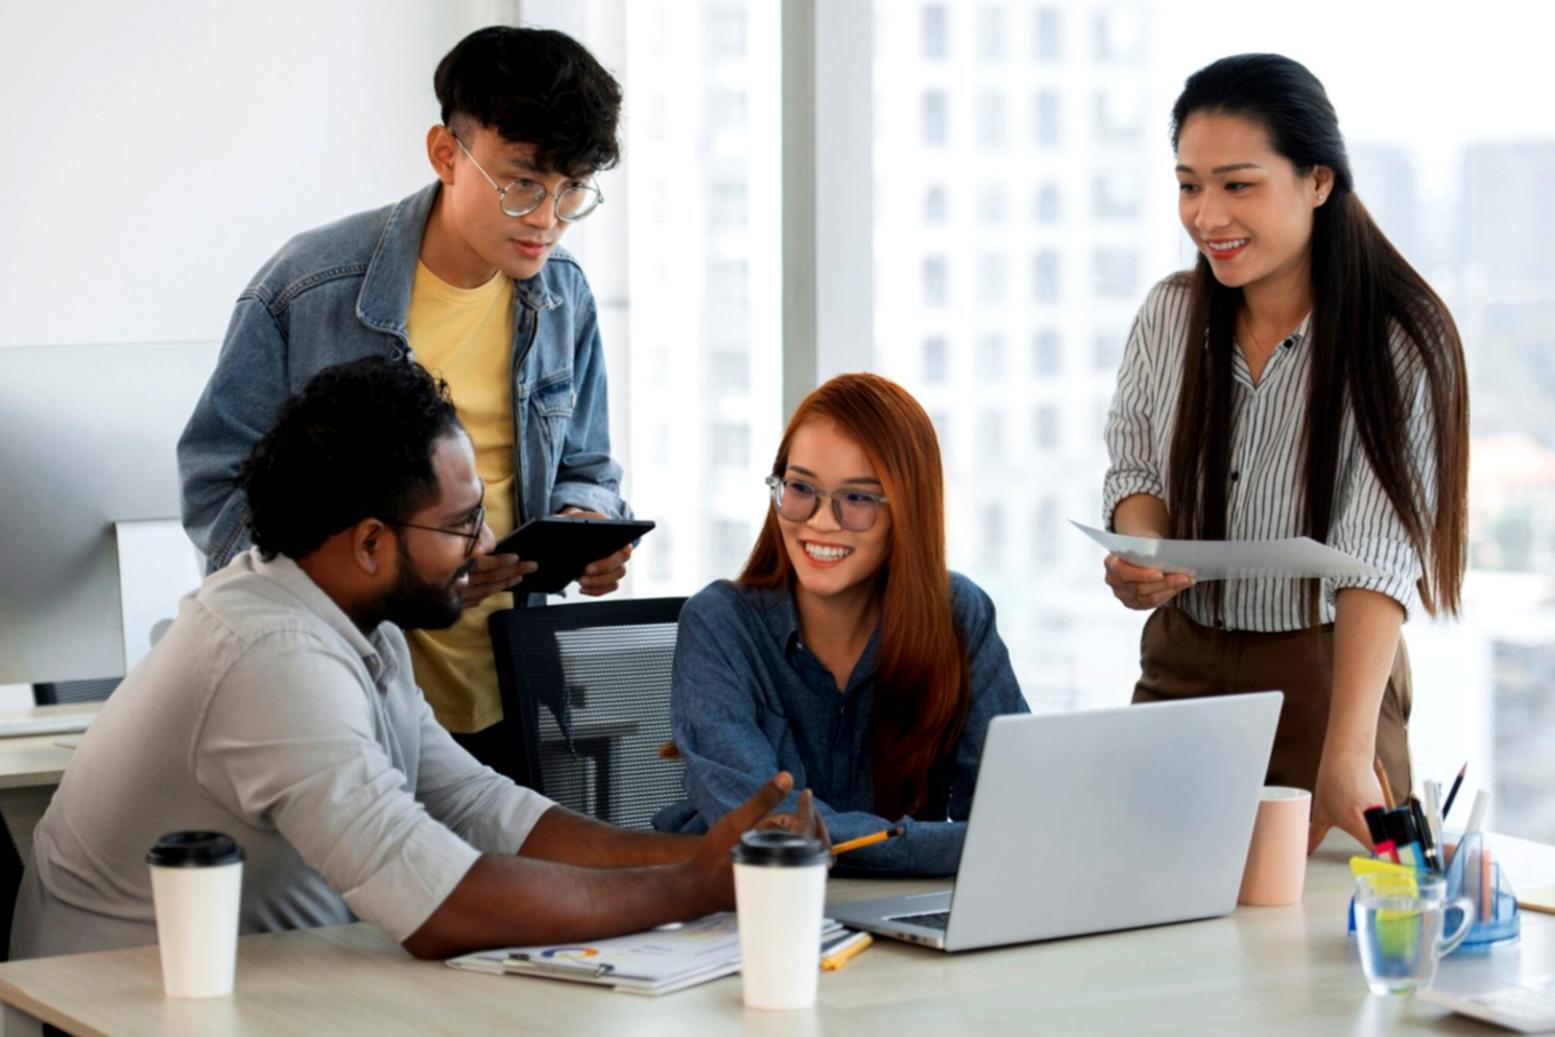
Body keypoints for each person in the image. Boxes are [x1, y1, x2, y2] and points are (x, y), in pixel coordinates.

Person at [12, 358, 817, 962]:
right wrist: (688, 889)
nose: (486, 546)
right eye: (462, 525)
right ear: (369, 542)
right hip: (118, 1010)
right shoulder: (272, 655)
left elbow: (479, 807)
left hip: (265, 989)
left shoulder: (357, 625)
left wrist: (714, 854)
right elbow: (439, 904)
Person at [177, 26, 632, 772]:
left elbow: (586, 460)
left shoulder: (562, 296)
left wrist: (586, 521)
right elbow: (216, 486)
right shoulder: (309, 289)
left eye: (572, 189)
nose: (547, 218)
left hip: (509, 691)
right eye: (522, 182)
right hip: (341, 692)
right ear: (447, 154)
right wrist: (401, 570)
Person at [1101, 54, 1469, 853]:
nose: (1205, 215)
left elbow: (1375, 555)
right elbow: (1133, 470)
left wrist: (1345, 752)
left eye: (1237, 184)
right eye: (1188, 184)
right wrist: (1142, 548)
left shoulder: (1401, 338)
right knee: (1150, 927)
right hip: (1182, 662)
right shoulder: (1167, 316)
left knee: (1326, 948)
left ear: (1317, 181)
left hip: (1331, 677)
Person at [654, 373, 1029, 875]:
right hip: (746, 912)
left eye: (856, 499)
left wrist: (982, 843)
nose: (821, 522)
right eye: (801, 488)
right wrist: (950, 846)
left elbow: (1016, 813)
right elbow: (772, 831)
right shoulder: (718, 625)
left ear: (908, 512)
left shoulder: (959, 614)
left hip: (902, 910)